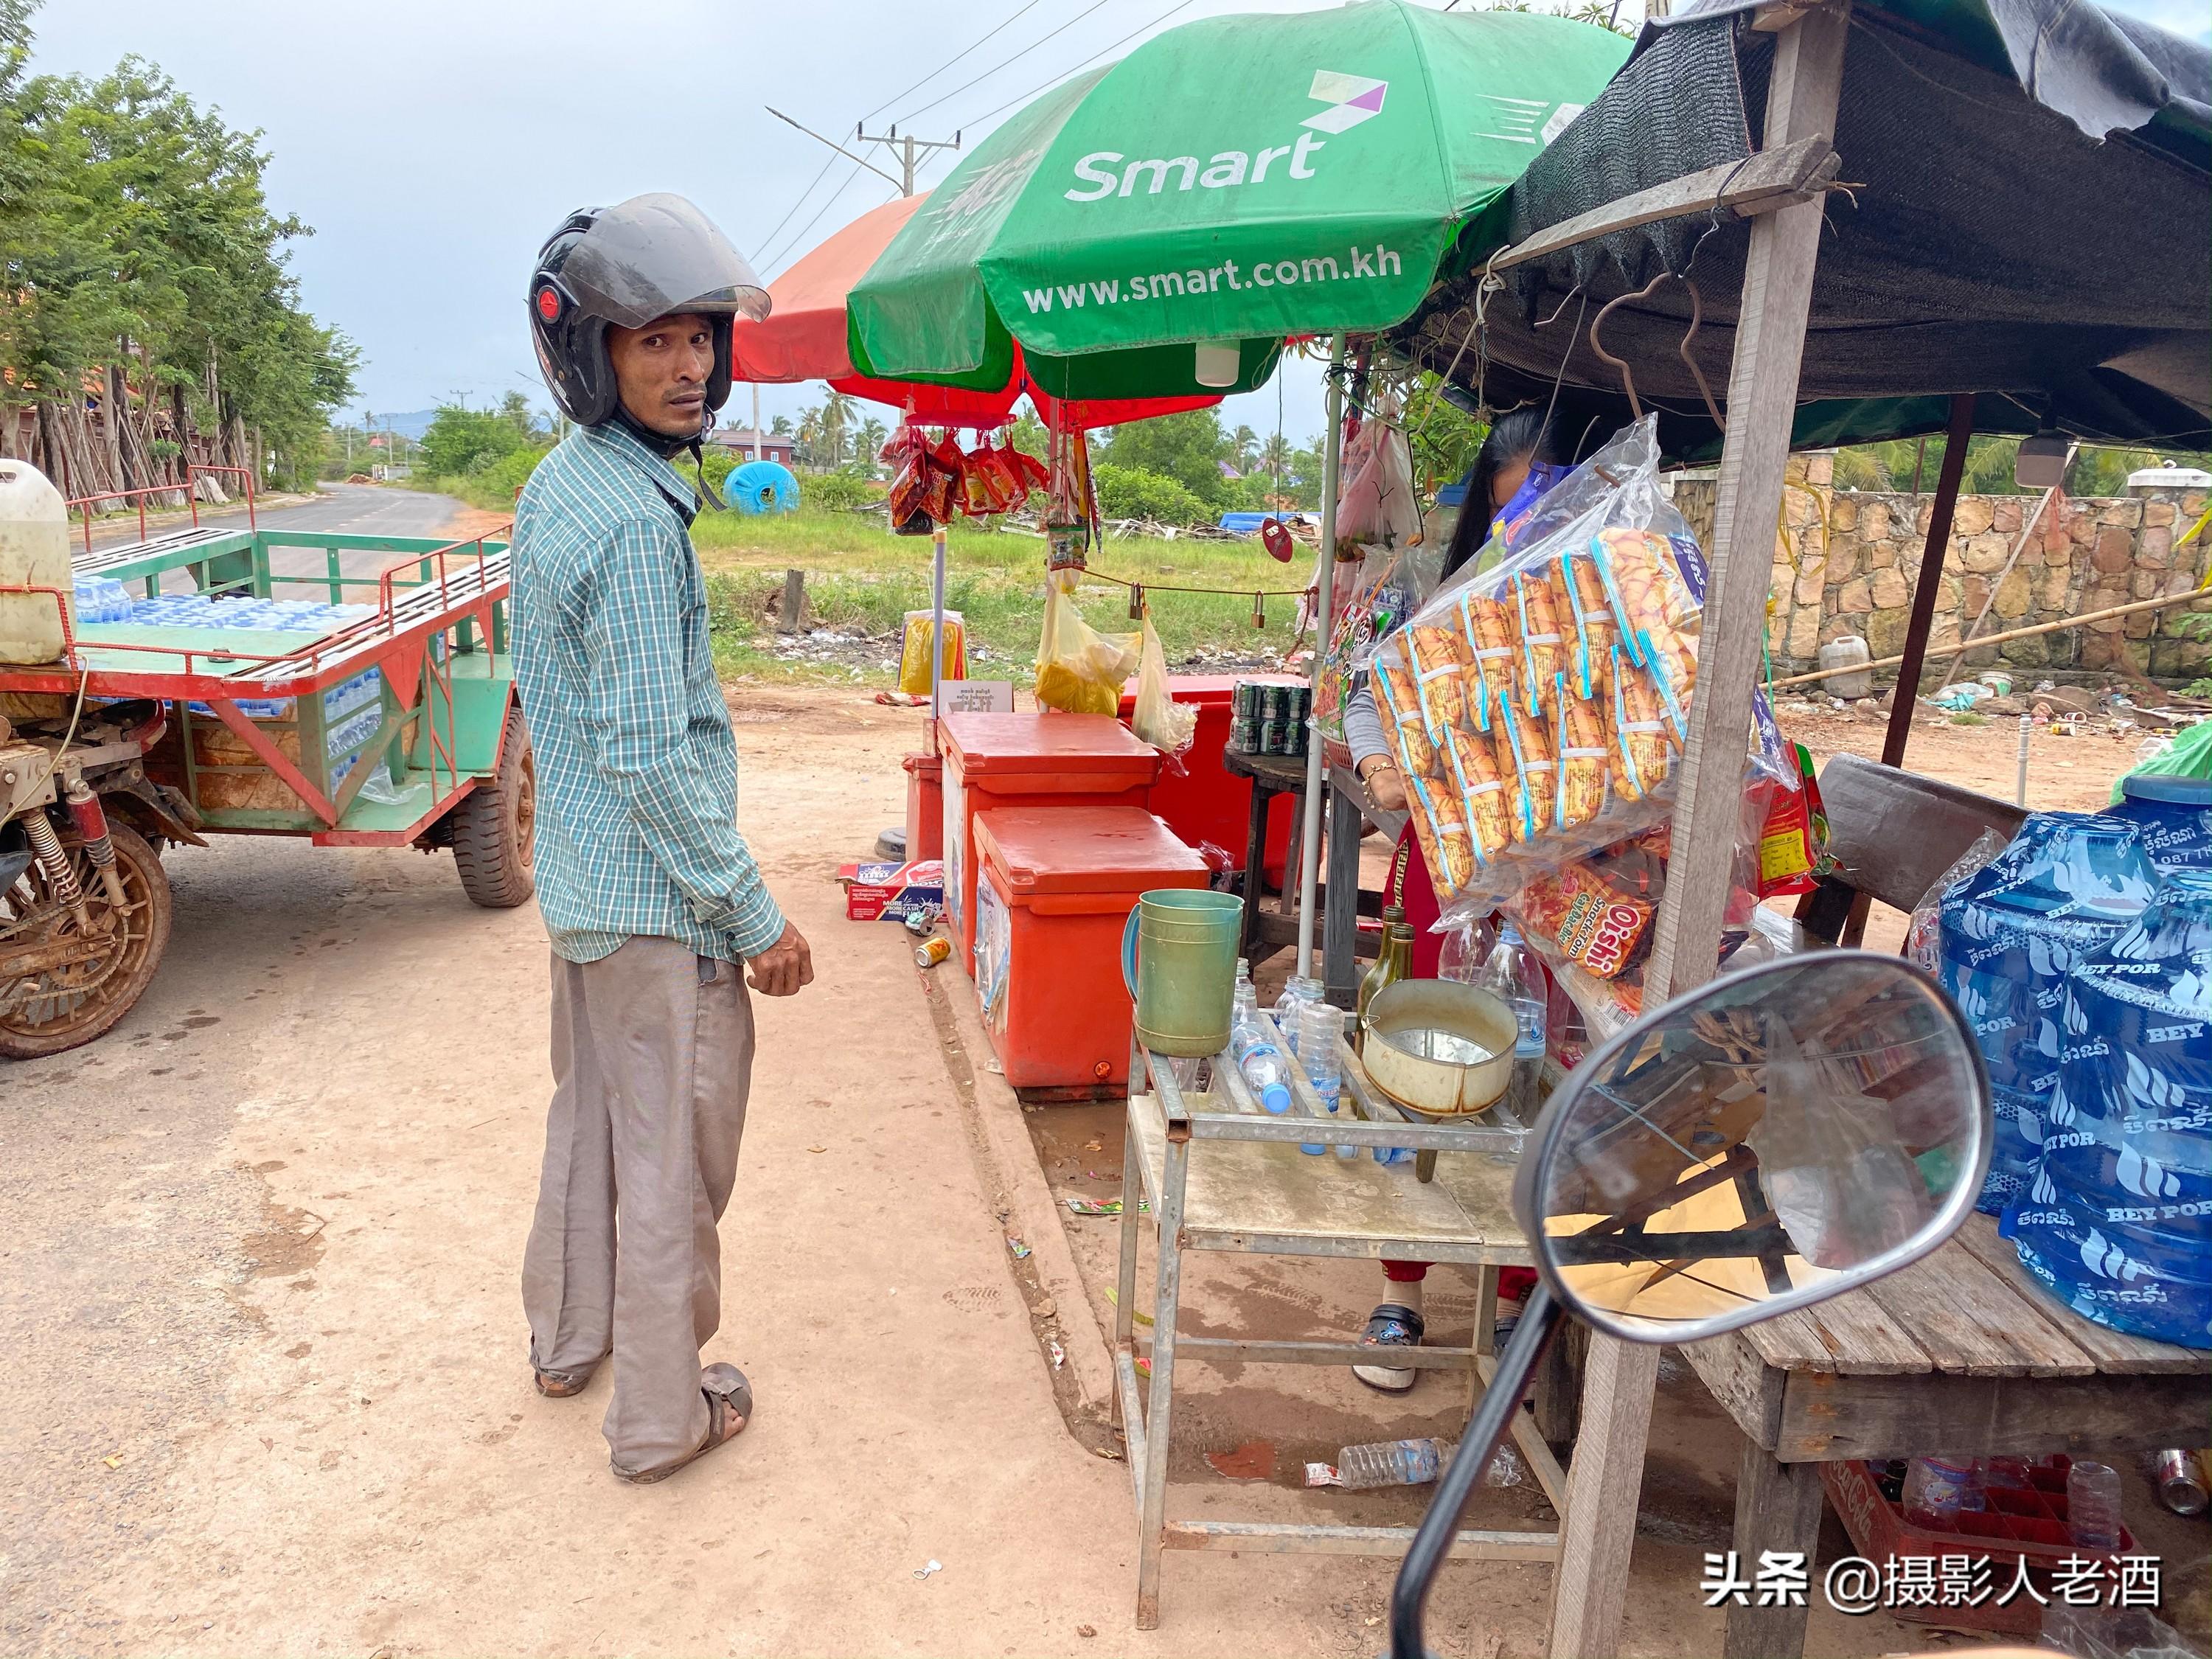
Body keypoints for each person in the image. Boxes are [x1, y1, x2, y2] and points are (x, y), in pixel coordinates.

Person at [512, 192, 814, 1483]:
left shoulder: (565, 481)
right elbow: (648, 755)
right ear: (593, 353)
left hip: (584, 895)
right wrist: (756, 916)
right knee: (672, 1161)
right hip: (654, 910)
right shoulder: (640, 528)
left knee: (587, 1124)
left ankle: (568, 1337)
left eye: (699, 338)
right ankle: (657, 1417)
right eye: (654, 343)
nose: (689, 365)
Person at [1338, 408, 1562, 1391]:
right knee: (1425, 1069)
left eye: (1542, 507)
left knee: (1537, 1083)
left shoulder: (1615, 595)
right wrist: (1382, 753)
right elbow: (1365, 689)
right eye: (1505, 507)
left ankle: (1516, 1297)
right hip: (1446, 872)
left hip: (1569, 881)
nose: (1521, 530)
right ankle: (1404, 1290)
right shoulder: (1440, 586)